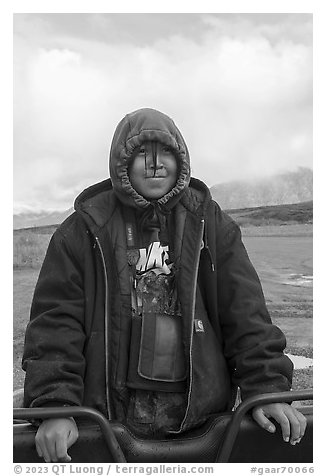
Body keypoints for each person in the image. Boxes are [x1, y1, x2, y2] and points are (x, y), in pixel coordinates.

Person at [22, 107, 307, 463]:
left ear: (181, 158)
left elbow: (245, 312)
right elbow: (56, 323)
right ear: (121, 161)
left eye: (166, 152)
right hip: (108, 422)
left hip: (202, 420)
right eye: (142, 152)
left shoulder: (212, 224)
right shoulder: (83, 230)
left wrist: (267, 388)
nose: (155, 164)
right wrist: (56, 406)